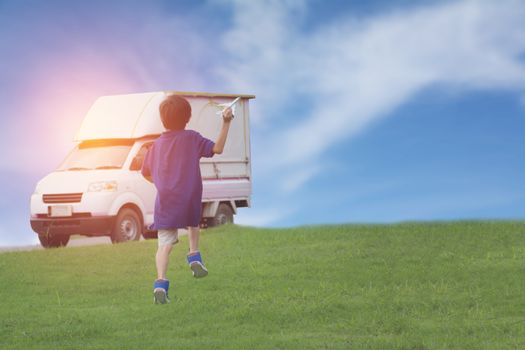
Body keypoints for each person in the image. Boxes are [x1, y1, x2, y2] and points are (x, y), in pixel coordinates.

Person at [141, 94, 233, 304]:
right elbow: (217, 149)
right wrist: (226, 122)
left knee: (164, 245)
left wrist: (161, 183)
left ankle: (160, 283)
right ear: (187, 117)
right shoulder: (191, 138)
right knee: (193, 224)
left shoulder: (155, 145)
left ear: (163, 118)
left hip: (165, 201)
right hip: (189, 196)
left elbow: (145, 173)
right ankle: (194, 256)